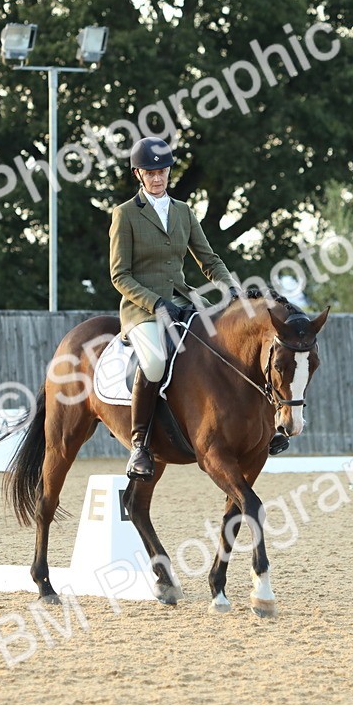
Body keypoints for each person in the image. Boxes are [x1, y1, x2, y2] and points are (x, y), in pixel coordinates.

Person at [109, 137, 283, 481]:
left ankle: (267, 426)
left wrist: (233, 291)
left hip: (183, 301)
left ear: (169, 172)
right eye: (150, 172)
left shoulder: (183, 211)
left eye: (162, 171)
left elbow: (209, 259)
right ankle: (140, 444)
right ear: (138, 175)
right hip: (141, 308)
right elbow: (119, 274)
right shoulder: (126, 214)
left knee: (228, 347)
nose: (157, 178)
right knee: (156, 360)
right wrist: (155, 302)